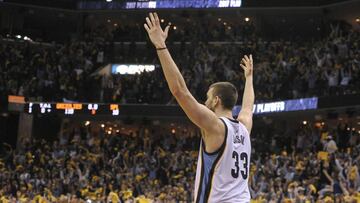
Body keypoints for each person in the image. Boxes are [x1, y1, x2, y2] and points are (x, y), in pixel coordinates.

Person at [144, 13, 255, 202]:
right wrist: (249, 78)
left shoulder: (215, 126)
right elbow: (247, 107)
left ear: (216, 101)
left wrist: (160, 46)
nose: (205, 102)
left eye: (207, 98)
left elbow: (180, 91)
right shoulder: (244, 127)